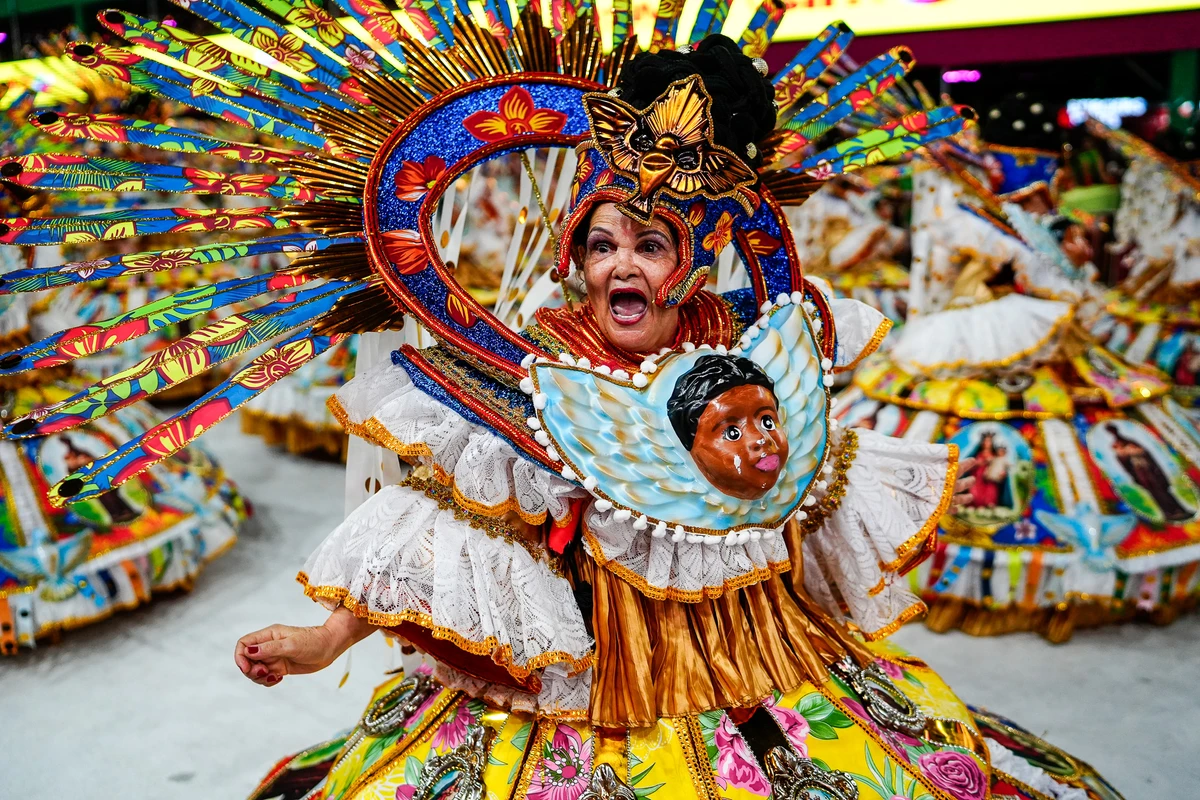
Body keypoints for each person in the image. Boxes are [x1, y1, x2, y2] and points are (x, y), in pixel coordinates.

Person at [0, 8, 1120, 798]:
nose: (621, 263)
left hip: (776, 676)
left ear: (693, 260)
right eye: (602, 241)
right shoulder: (541, 360)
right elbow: (438, 523)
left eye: (651, 242)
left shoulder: (751, 338)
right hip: (585, 694)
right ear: (577, 254)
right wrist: (322, 635)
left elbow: (804, 512)